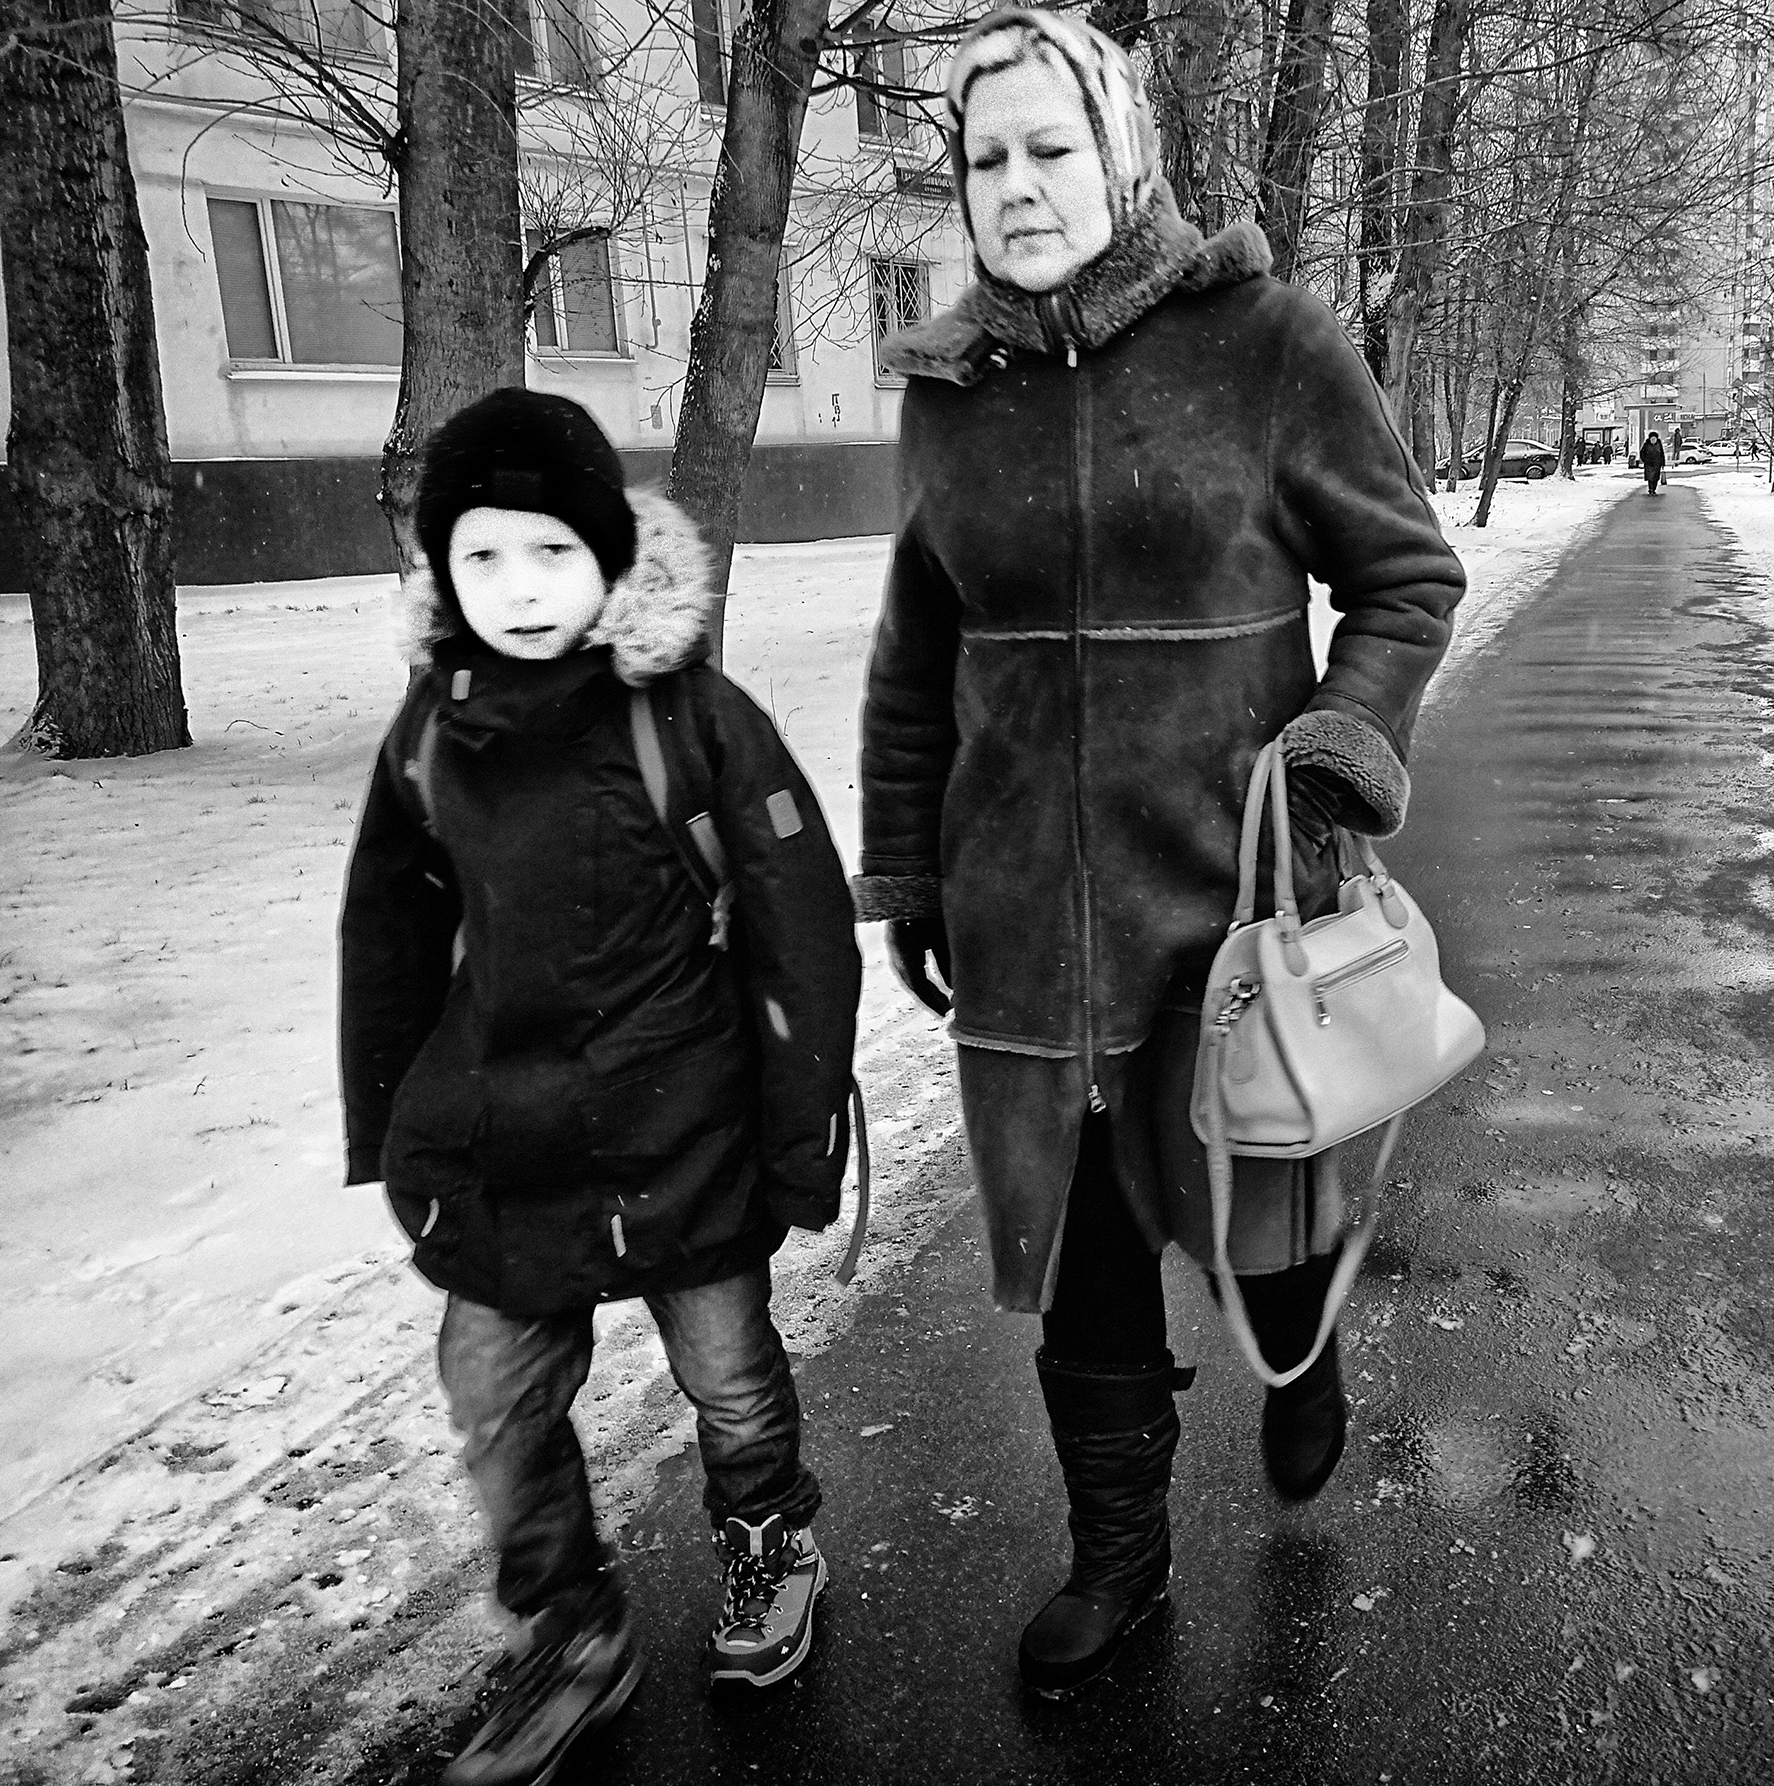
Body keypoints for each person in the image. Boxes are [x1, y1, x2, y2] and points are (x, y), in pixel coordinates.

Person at [857, 7, 1465, 1702]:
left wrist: (1340, 747)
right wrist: (907, 870)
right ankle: (1118, 1557)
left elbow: (1407, 576)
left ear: (1118, 156)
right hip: (1027, 918)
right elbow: (915, 658)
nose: (1017, 184)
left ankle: (1299, 1345)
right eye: (986, 156)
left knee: (1259, 1195)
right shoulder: (949, 394)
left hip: (1229, 897)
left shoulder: (1264, 340)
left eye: (1050, 148)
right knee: (1088, 1259)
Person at [338, 389, 861, 1784]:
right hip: (504, 1146)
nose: (518, 589)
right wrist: (387, 1125)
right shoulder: (433, 730)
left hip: (683, 1133)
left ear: (609, 555)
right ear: (443, 570)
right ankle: (570, 1626)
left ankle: (770, 1546)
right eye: (483, 556)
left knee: (727, 1377)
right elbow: (387, 934)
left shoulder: (690, 716)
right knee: (494, 1393)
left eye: (551, 552)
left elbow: (802, 925)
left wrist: (800, 1127)